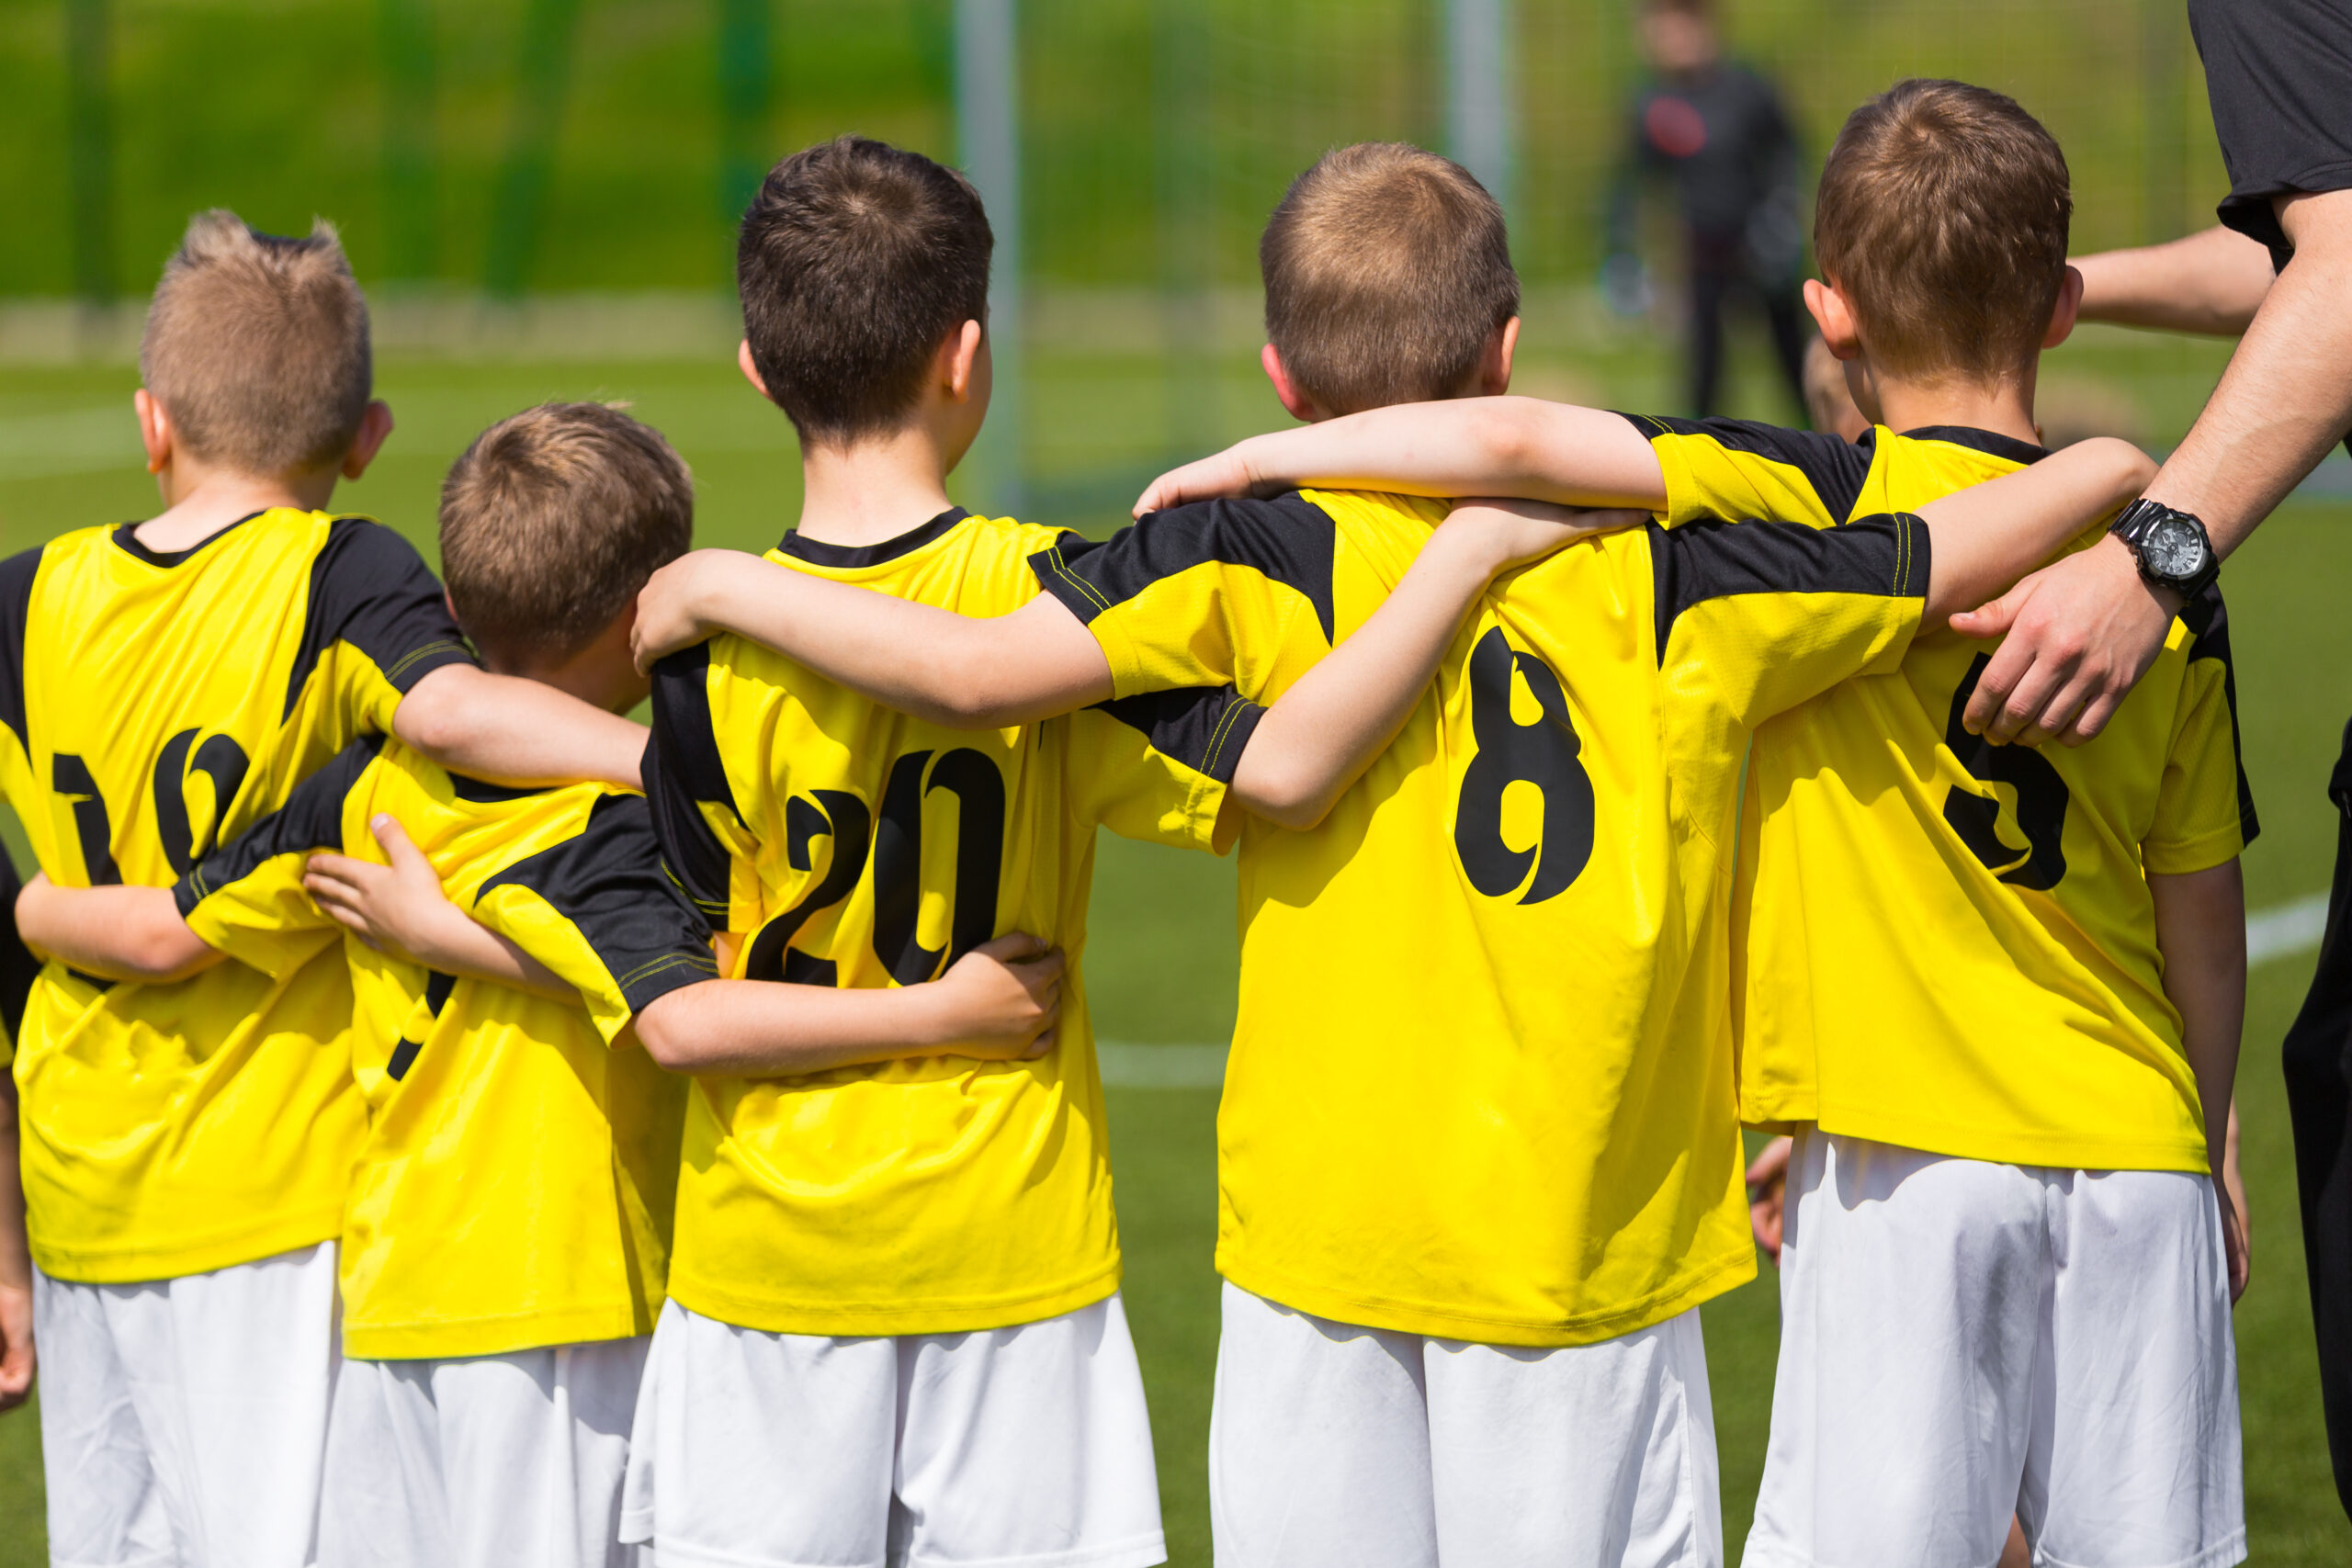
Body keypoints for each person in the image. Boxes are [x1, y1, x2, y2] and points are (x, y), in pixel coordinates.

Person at [626, 138, 2161, 1567]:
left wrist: (720, 591)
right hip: (1582, 1242)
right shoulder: (1674, 566)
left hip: (1320, 1239)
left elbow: (972, 666)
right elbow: (1953, 539)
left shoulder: (1229, 542)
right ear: (1500, 354)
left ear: (1282, 374)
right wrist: (2112, 470)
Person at [1120, 81, 2254, 1568]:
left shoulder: (1777, 517)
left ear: (1826, 314)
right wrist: (2123, 482)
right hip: (2039, 1149)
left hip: (1819, 1159)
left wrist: (1258, 469)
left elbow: (1522, 459)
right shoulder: (2076, 576)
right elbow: (2204, 903)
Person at [12, 400, 1074, 1568]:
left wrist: (28, 907)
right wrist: (948, 1012)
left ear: (452, 610)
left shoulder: (361, 788)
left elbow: (172, 926)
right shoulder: (623, 829)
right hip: (562, 1303)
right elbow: (685, 1009)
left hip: (395, 1298)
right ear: (646, 617)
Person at [0, 212, 649, 1568]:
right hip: (273, 1197)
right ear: (366, 440)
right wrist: (672, 762)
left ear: (151, 421)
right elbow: (462, 712)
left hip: (77, 1195)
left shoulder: (27, 597)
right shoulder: (339, 572)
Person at [1605, 0, 1809, 418]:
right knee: (1703, 375)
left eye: (1684, 20)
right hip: (1704, 256)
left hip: (1761, 248)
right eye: (1662, 24)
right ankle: (1703, 467)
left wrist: (1783, 216)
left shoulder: (1748, 89)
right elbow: (1632, 184)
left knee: (1795, 364)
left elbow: (1786, 153)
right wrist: (1622, 252)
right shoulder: (1652, 104)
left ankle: (1832, 450)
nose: (1674, 34)